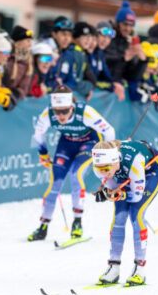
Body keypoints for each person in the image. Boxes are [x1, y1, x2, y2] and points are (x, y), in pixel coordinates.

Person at [27, 86, 116, 243]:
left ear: (72, 107)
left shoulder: (85, 113)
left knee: (76, 174)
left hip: (88, 143)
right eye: (57, 111)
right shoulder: (48, 114)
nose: (60, 115)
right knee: (55, 183)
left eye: (65, 111)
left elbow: (109, 131)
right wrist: (43, 154)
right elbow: (39, 133)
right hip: (66, 144)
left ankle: (77, 223)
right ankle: (43, 227)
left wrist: (109, 155)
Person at [90, 138, 158, 286]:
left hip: (152, 169)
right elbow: (113, 188)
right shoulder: (100, 167)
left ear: (115, 162)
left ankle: (140, 269)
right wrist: (109, 193)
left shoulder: (135, 162)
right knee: (119, 217)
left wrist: (118, 195)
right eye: (99, 169)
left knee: (136, 214)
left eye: (106, 169)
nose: (103, 173)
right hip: (125, 173)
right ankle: (114, 267)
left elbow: (136, 195)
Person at [47, 16, 92, 98]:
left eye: (69, 35)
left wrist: (63, 87)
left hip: (60, 99)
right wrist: (54, 86)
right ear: (54, 34)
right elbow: (41, 77)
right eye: (63, 34)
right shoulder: (45, 52)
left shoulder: (68, 55)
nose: (67, 38)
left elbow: (72, 81)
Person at [106, 1, 147, 90]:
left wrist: (142, 61)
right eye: (125, 24)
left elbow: (133, 77)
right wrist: (124, 58)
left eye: (131, 25)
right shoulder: (108, 39)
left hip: (119, 91)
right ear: (118, 23)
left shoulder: (128, 44)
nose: (128, 28)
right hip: (106, 89)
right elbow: (106, 66)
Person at [89, 21, 124, 100]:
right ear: (96, 35)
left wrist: (117, 83)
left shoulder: (100, 53)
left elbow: (106, 75)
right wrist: (112, 86)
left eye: (109, 38)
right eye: (103, 36)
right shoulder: (88, 52)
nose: (105, 40)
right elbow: (91, 81)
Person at [4, 25, 35, 100]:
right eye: (27, 41)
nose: (30, 44)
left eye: (30, 41)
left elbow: (25, 85)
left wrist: (18, 93)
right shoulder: (7, 56)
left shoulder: (29, 60)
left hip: (14, 99)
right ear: (18, 41)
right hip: (1, 95)